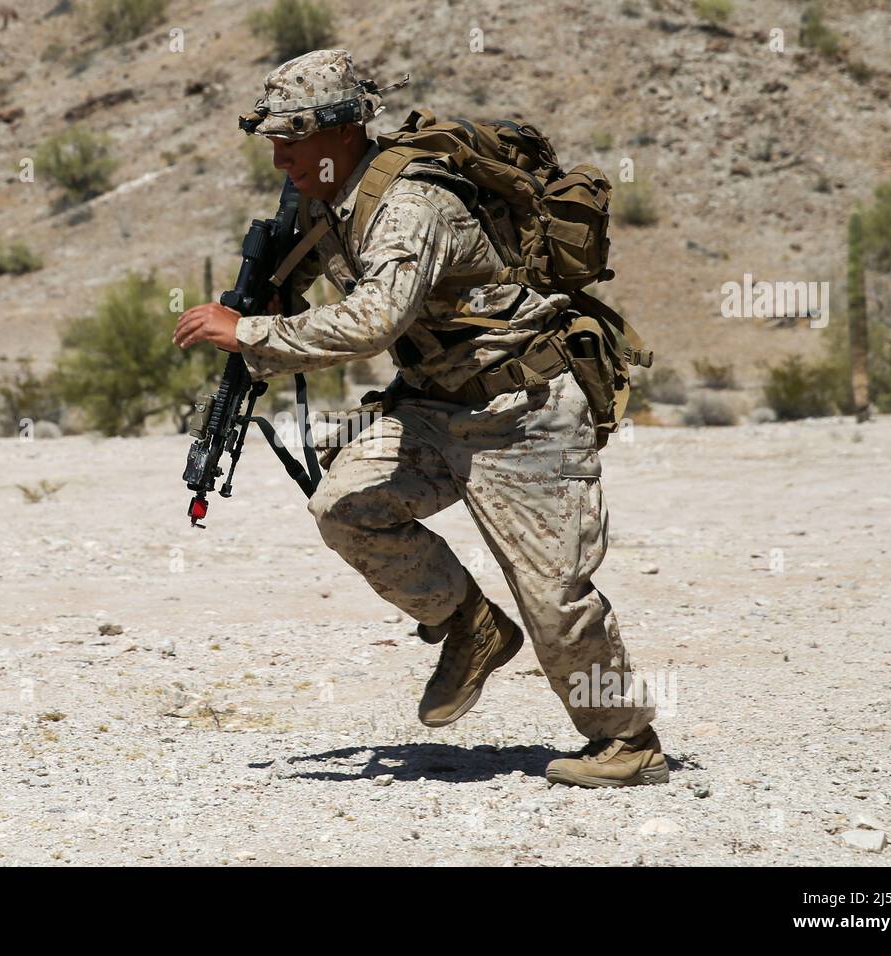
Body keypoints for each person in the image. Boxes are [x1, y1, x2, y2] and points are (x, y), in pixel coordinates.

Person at [174, 50, 667, 787]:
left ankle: (628, 742)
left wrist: (244, 335)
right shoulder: (328, 201)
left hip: (519, 411)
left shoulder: (410, 203)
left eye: (290, 140)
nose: (279, 158)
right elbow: (304, 280)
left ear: (338, 131)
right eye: (272, 141)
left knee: (553, 597)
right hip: (437, 407)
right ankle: (470, 626)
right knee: (346, 506)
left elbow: (374, 321)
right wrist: (268, 306)